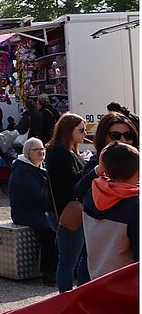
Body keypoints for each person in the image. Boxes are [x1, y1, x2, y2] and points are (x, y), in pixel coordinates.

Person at [44, 112, 90, 293]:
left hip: (75, 209)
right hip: (67, 211)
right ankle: (66, 298)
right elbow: (71, 182)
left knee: (84, 256)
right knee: (69, 260)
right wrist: (91, 169)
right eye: (81, 130)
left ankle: (81, 294)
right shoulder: (58, 151)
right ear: (69, 130)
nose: (84, 133)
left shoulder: (69, 150)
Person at [82, 142, 139, 279]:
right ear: (138, 173)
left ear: (105, 169)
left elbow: (78, 188)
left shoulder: (91, 195)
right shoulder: (134, 206)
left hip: (96, 279)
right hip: (125, 283)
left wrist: (99, 168)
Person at [8, 138, 58, 286]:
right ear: (27, 153)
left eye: (42, 149)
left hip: (40, 210)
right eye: (36, 150)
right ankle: (48, 273)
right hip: (25, 211)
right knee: (49, 230)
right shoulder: (22, 171)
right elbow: (40, 195)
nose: (41, 152)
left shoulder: (41, 168)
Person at [76, 112, 139, 201]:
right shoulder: (96, 163)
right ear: (103, 138)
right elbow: (79, 192)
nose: (123, 140)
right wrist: (99, 170)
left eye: (128, 135)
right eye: (115, 136)